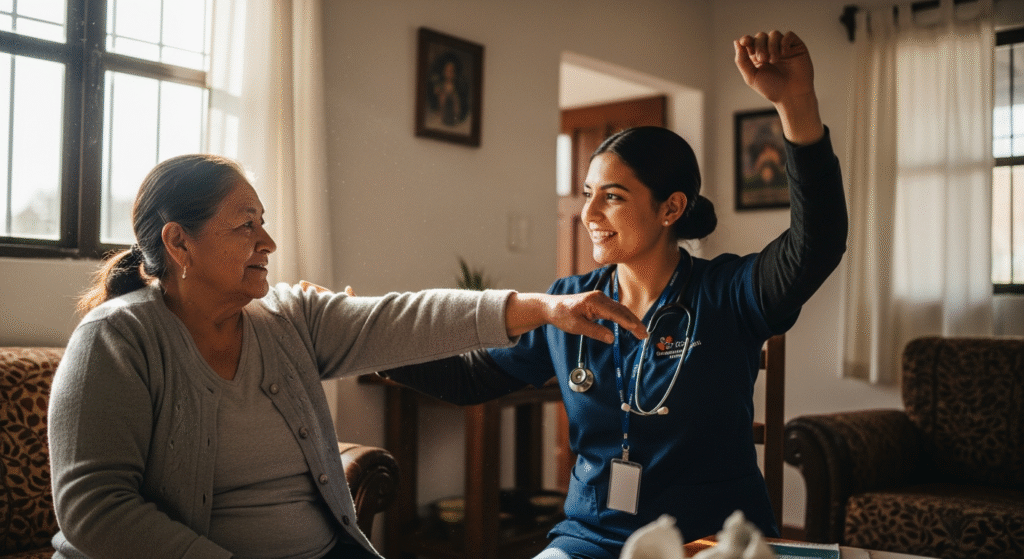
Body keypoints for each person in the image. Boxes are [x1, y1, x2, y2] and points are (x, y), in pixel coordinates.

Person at [379, 30, 847, 558]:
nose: (589, 215)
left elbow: (818, 243)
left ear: (670, 208)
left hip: (707, 542)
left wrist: (796, 104)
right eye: (587, 195)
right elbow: (470, 378)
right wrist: (364, 342)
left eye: (613, 197)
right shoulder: (567, 301)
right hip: (591, 541)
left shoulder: (730, 292)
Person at [47, 154, 647, 559]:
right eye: (245, 226)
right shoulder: (116, 340)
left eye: (265, 222)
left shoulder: (287, 319)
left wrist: (541, 309)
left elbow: (402, 317)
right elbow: (95, 509)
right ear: (180, 242)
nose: (269, 242)